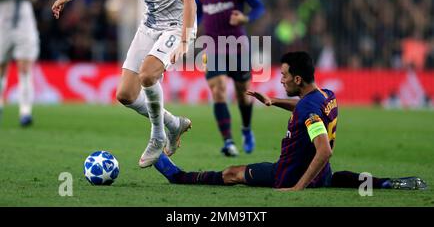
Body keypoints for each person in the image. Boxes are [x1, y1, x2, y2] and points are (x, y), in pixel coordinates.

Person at [153, 51, 427, 190]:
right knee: (335, 179)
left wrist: (297, 187)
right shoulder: (325, 94)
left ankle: (178, 176)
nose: (280, 79)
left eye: (284, 76)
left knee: (231, 173)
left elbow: (324, 149)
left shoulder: (308, 110)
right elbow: (306, 108)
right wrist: (274, 101)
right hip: (322, 174)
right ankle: (386, 183)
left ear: (297, 79)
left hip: (289, 173)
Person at [51, 0, 197, 168]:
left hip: (176, 27)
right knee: (125, 95)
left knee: (147, 76)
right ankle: (174, 124)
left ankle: (157, 135)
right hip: (149, 26)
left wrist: (184, 41)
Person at [193, 0, 265, 156]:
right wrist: (190, 31)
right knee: (218, 90)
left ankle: (246, 129)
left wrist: (245, 17)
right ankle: (228, 141)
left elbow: (259, 7)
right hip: (213, 46)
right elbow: (196, 15)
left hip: (237, 46)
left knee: (243, 95)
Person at [0, 0, 39, 127]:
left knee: (25, 66)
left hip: (25, 24)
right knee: (2, 66)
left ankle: (25, 111)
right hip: (4, 23)